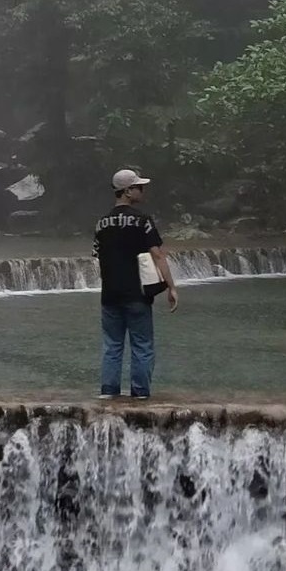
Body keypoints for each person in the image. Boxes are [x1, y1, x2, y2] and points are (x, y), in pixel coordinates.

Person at [93, 168, 178, 400]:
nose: (143, 190)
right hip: (137, 295)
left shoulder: (101, 224)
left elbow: (98, 257)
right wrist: (171, 287)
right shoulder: (142, 221)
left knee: (112, 347)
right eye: (139, 187)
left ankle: (108, 394)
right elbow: (158, 255)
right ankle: (140, 395)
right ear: (128, 191)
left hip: (109, 296)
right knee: (142, 346)